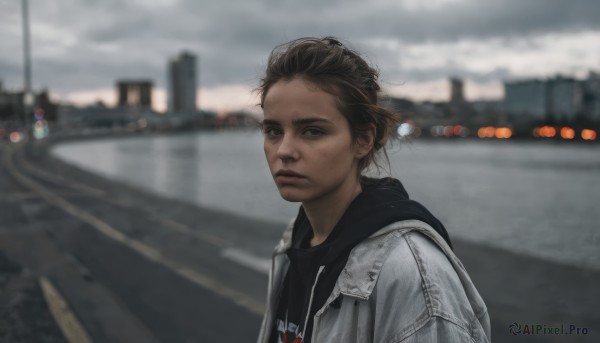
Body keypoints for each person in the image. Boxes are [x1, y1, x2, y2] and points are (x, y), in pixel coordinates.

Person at [256, 37, 490, 343]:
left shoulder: (411, 275)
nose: (284, 150)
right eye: (274, 131)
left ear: (364, 139)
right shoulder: (296, 239)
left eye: (312, 131)